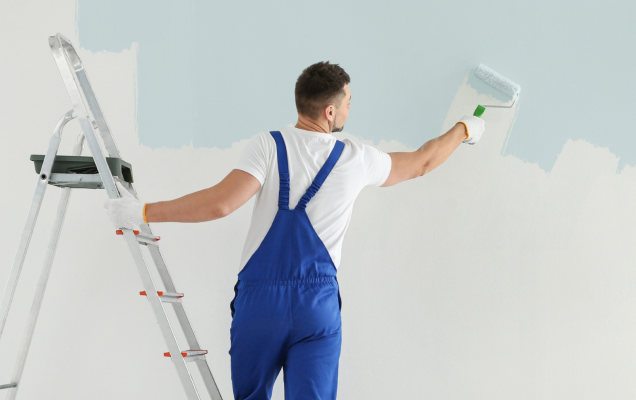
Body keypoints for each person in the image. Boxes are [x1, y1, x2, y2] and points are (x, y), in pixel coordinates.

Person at [106, 61, 485, 400]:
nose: (351, 109)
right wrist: (464, 128)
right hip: (316, 306)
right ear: (330, 110)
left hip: (259, 305)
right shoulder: (356, 158)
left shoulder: (267, 146)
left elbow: (221, 203)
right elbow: (422, 162)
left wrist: (141, 211)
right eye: (349, 102)